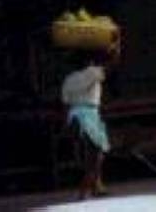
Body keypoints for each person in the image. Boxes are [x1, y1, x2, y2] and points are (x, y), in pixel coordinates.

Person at [60, 38, 119, 201]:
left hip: (75, 116)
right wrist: (116, 47)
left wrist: (66, 124)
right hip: (89, 115)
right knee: (96, 155)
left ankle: (95, 186)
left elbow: (65, 104)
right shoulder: (92, 72)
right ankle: (84, 191)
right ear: (89, 61)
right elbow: (112, 65)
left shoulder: (68, 79)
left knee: (91, 154)